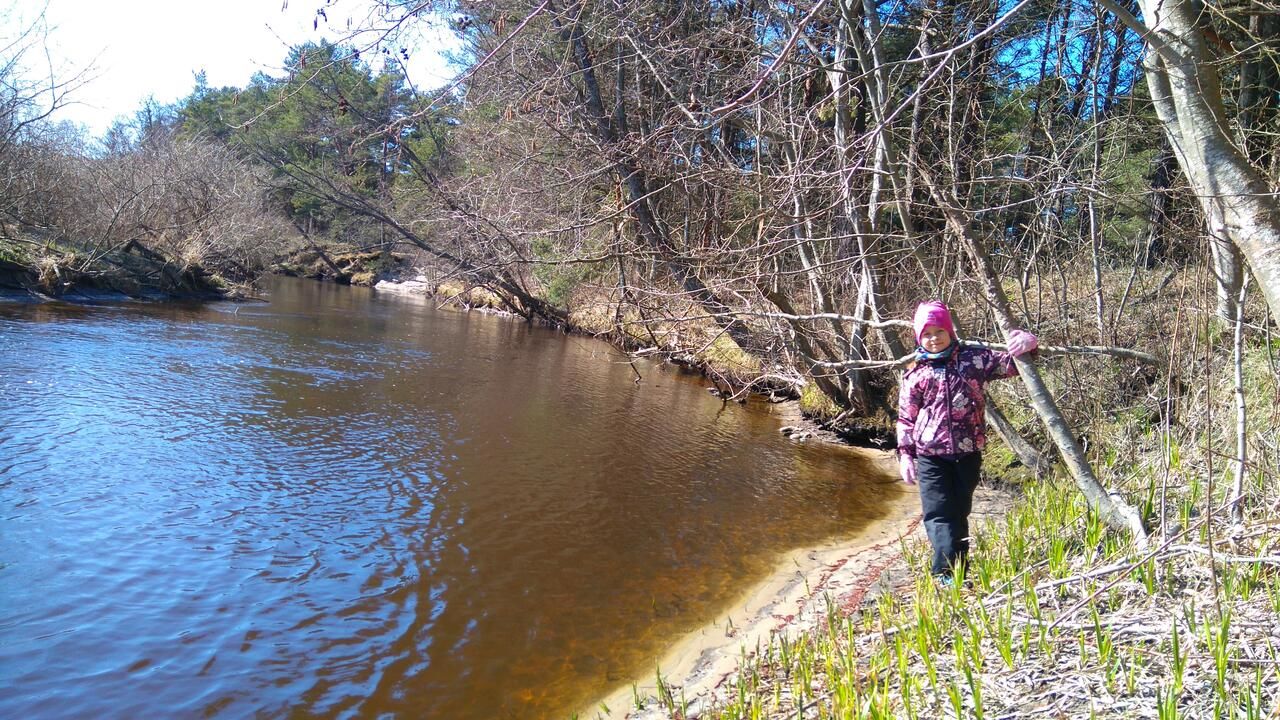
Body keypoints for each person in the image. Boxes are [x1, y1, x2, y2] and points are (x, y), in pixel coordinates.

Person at [895, 300, 1038, 583]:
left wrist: (1029, 344)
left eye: (939, 331)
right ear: (918, 337)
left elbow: (1015, 365)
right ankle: (943, 573)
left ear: (950, 332)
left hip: (968, 452)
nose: (933, 338)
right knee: (939, 514)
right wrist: (906, 455)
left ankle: (959, 570)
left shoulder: (974, 360)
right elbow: (905, 418)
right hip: (930, 457)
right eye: (927, 334)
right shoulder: (916, 374)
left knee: (959, 512)